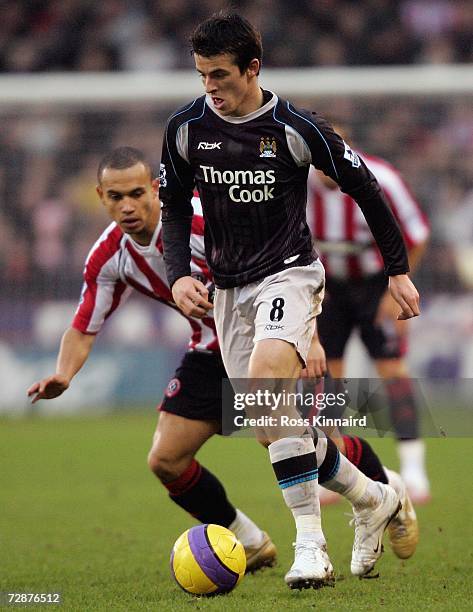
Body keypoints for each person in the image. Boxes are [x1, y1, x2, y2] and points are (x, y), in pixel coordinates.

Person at [159, 12, 420, 588]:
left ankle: (311, 548)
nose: (211, 87)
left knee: (264, 385)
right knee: (271, 426)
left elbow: (366, 189)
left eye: (221, 75)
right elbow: (175, 207)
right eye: (202, 75)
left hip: (290, 275)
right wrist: (179, 274)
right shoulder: (184, 129)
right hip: (228, 290)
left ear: (253, 68)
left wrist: (396, 272)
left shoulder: (294, 128)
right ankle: (374, 496)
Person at [26, 146, 277, 573]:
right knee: (166, 459)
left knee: (296, 441)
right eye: (116, 197)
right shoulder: (108, 257)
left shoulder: (204, 218)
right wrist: (64, 374)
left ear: (157, 189)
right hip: (210, 350)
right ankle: (249, 541)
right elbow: (84, 326)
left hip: (269, 339)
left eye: (137, 194)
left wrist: (303, 337)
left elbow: (275, 263)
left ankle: (378, 492)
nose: (127, 206)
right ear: (101, 197)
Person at [307, 129, 431, 503]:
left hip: (377, 284)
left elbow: (417, 234)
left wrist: (398, 288)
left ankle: (413, 467)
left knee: (392, 368)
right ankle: (334, 469)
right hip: (328, 287)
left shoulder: (382, 178)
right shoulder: (296, 183)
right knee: (329, 377)